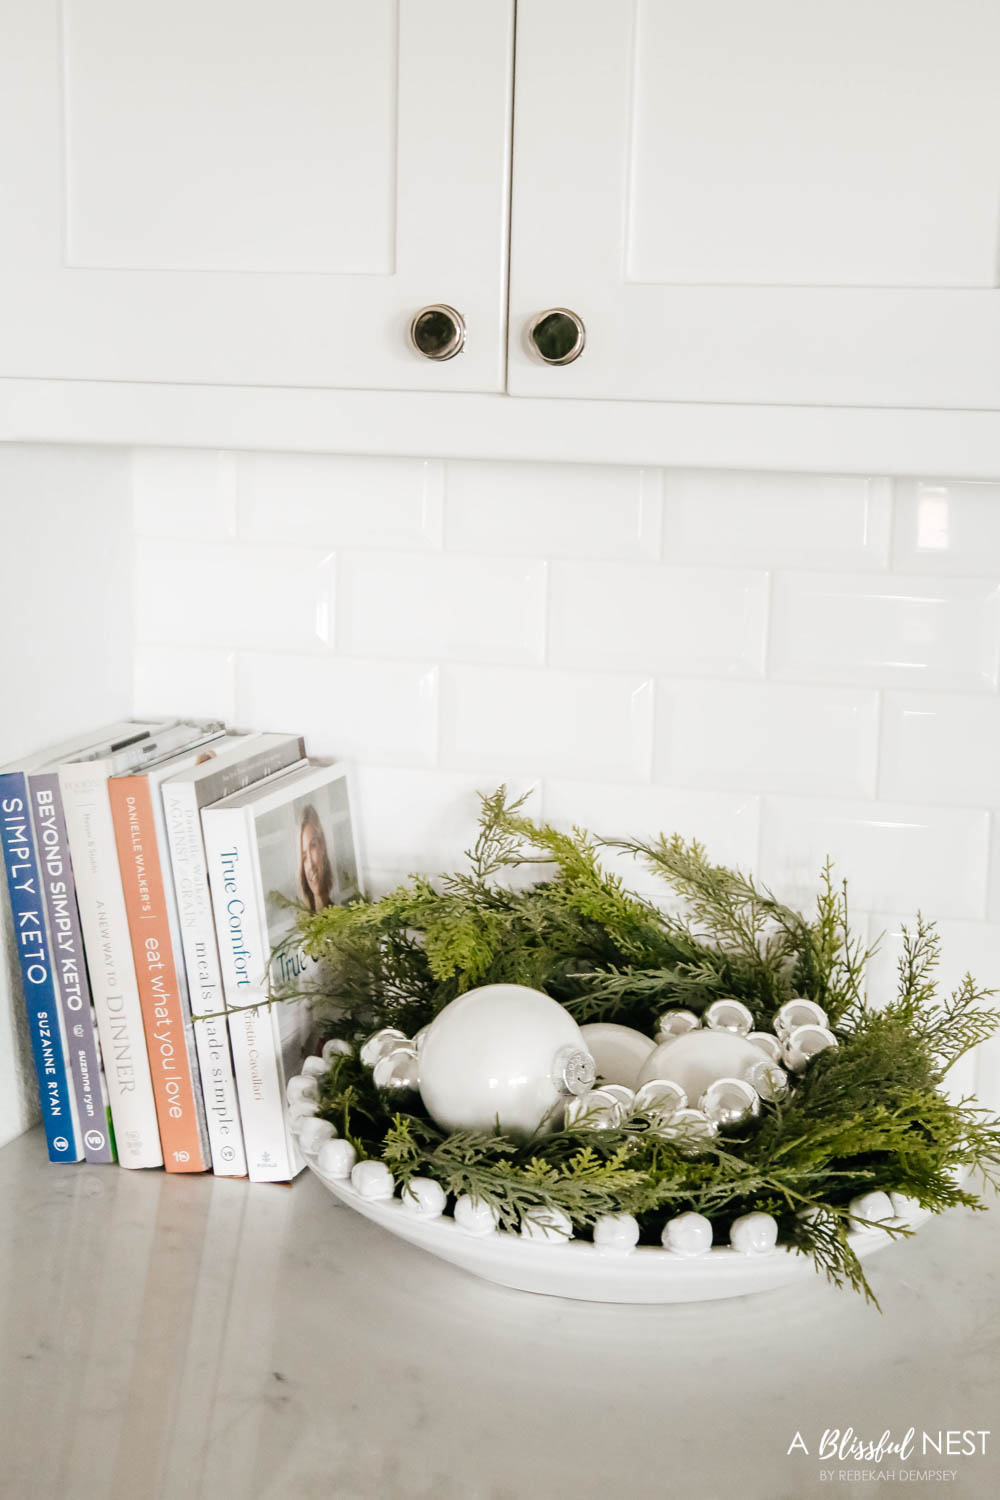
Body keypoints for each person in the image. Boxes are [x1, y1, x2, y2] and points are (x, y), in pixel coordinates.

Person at [298, 803, 334, 912]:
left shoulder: (342, 914)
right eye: (304, 857)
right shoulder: (305, 925)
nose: (311, 865)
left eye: (313, 846)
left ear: (322, 846)